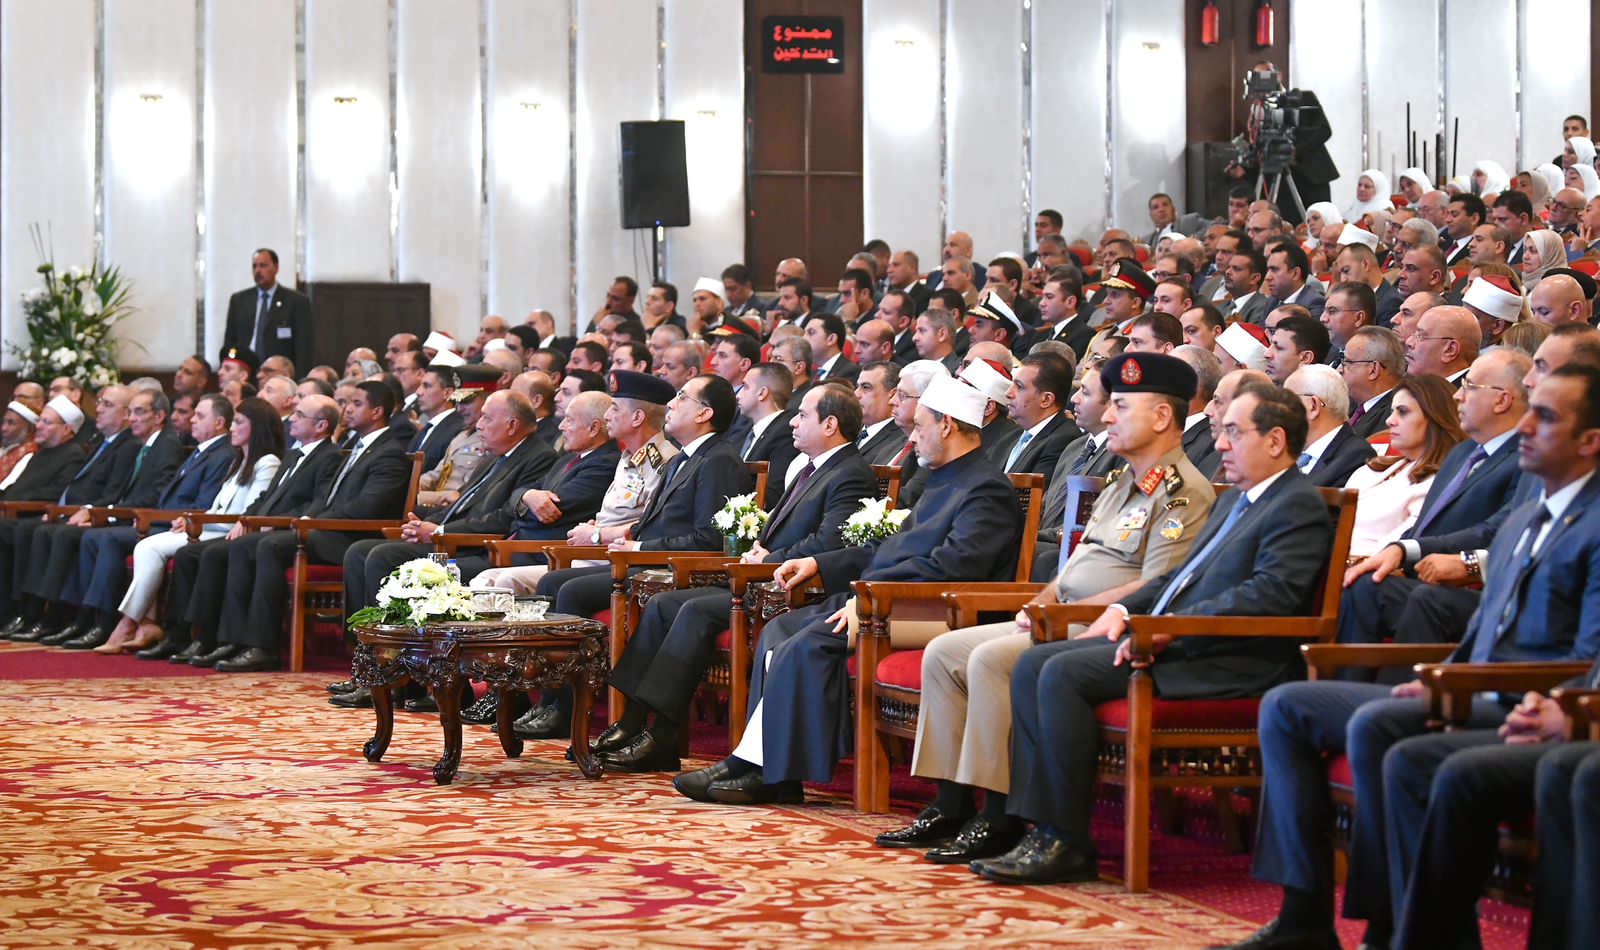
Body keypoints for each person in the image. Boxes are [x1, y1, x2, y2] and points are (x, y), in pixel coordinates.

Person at [1227, 365, 1600, 950]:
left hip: (1530, 699)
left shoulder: (1593, 522)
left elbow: (1589, 651)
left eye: (1545, 417)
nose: (1526, 428)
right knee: (1291, 705)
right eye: (1529, 411)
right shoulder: (1526, 518)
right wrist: (1443, 678)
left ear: (1590, 440)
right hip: (1475, 687)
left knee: (1388, 733)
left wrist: (1563, 705)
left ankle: (1398, 932)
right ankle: (1310, 916)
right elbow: (1486, 625)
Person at [974, 381, 1335, 885]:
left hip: (1230, 658)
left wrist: (1168, 628)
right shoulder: (1237, 500)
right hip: (1179, 640)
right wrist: (1124, 609)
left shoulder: (1296, 504)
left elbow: (1268, 596)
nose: (1221, 443)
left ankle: (1066, 840)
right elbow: (1178, 578)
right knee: (1037, 663)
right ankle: (1038, 830)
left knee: (1060, 672)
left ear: (1275, 441)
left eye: (1234, 432)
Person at [875, 353, 1217, 862]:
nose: (1107, 416)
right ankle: (950, 805)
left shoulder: (1182, 493)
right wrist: (1041, 600)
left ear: (1163, 417)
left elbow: (1156, 587)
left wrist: (1060, 613)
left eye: (1122, 407)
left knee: (988, 659)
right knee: (945, 652)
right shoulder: (1122, 483)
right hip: (1060, 617)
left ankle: (999, 817)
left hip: (1100, 631)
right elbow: (1078, 565)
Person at [673, 373, 1024, 806]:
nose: (913, 437)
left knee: (812, 641)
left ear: (947, 426)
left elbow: (953, 567)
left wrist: (872, 600)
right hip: (891, 600)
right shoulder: (943, 479)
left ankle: (774, 771)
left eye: (920, 426)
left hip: (937, 612)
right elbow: (890, 548)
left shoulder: (986, 489)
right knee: (781, 629)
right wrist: (820, 563)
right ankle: (756, 763)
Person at [596, 385, 880, 772]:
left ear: (830, 425)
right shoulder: (812, 467)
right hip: (763, 578)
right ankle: (631, 721)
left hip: (791, 590)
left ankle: (661, 735)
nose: (793, 423)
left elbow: (828, 542)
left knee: (694, 610)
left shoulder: (849, 473)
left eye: (802, 416)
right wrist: (759, 548)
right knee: (663, 605)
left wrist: (770, 557)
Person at [198, 381, 413, 672]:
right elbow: (328, 499)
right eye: (347, 403)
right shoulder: (356, 447)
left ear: (377, 412)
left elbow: (367, 507)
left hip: (351, 538)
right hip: (327, 530)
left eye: (357, 404)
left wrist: (313, 521)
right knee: (244, 545)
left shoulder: (390, 453)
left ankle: (263, 646)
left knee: (269, 545)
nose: (348, 409)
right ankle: (234, 639)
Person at [98, 398, 284, 655]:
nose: (231, 428)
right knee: (147, 546)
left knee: (153, 548)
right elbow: (218, 508)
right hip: (211, 528)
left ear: (258, 427)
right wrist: (190, 519)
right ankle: (148, 625)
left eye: (239, 422)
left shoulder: (267, 462)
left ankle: (131, 623)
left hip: (225, 532)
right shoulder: (239, 460)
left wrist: (197, 522)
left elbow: (248, 514)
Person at [220, 248, 312, 372]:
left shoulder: (296, 301)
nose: (258, 271)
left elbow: (304, 346)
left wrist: (300, 376)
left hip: (278, 370)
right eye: (254, 266)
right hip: (245, 369)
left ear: (276, 268)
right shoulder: (239, 300)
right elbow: (230, 340)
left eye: (263, 266)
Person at [1283, 365, 1375, 488]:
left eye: (1286, 401)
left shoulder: (1355, 456)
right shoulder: (1287, 452)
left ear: (1313, 406)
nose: (1279, 410)